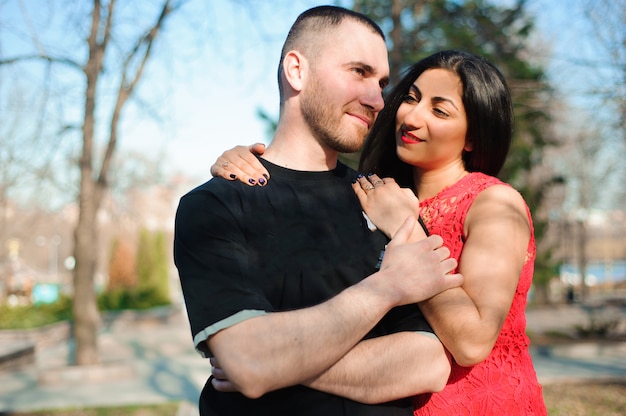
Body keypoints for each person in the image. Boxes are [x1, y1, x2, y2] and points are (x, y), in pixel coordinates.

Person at [210, 50, 547, 415]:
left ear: (472, 138)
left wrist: (279, 365)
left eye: (439, 110)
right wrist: (246, 165)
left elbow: (472, 342)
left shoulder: (495, 203)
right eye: (412, 98)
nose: (412, 117)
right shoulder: (378, 193)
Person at [174, 6, 463, 416]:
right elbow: (248, 360)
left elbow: (429, 365)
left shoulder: (384, 201)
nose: (377, 99)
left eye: (381, 82)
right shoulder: (215, 205)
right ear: (296, 70)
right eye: (359, 72)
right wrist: (388, 287)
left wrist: (277, 362)